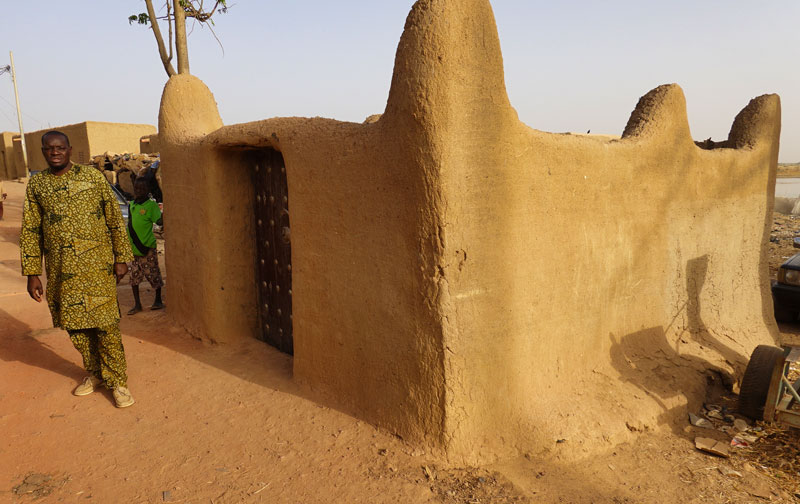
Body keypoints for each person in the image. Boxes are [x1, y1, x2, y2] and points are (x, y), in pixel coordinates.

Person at [20, 131, 135, 408]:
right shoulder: (38, 186)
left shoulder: (93, 178)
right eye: (49, 149)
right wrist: (33, 272)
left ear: (70, 150)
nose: (55, 152)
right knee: (75, 326)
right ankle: (95, 373)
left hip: (98, 268)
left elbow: (114, 220)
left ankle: (117, 382)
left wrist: (121, 257)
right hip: (62, 272)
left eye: (60, 148)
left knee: (105, 325)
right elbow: (31, 230)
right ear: (44, 152)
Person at [126, 177, 164, 315]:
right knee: (134, 278)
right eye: (136, 188)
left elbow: (159, 221)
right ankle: (137, 304)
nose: (138, 191)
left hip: (147, 248)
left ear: (147, 190)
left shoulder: (151, 205)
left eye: (142, 188)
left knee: (153, 274)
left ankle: (158, 300)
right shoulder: (132, 205)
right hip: (134, 249)